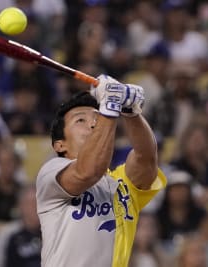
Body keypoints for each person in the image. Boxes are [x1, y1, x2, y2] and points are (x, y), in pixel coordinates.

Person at [36, 75, 167, 267]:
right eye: (80, 120)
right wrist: (109, 106)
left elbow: (146, 159)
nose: (93, 123)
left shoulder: (121, 183)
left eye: (97, 118)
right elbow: (88, 172)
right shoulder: (51, 174)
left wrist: (131, 113)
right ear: (60, 145)